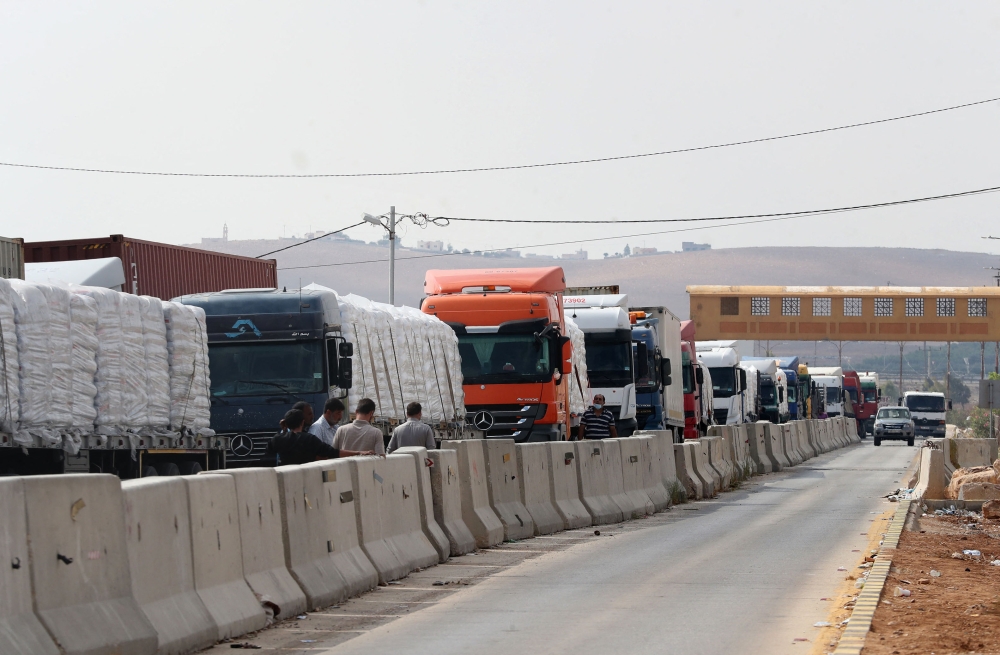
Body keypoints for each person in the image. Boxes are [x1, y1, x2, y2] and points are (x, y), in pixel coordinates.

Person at [268, 409, 373, 465]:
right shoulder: (309, 439)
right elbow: (334, 453)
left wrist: (284, 429)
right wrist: (359, 452)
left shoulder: (277, 439)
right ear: (302, 422)